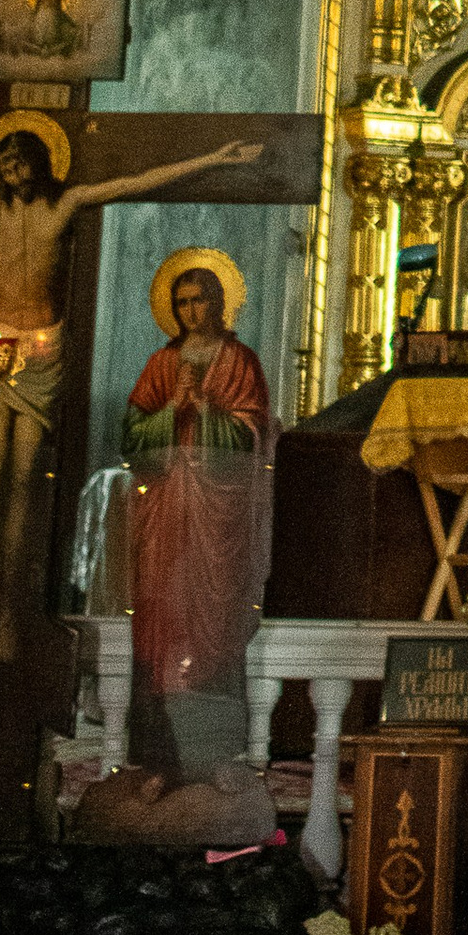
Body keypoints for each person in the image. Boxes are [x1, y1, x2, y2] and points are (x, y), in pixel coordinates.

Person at [0, 115, 264, 664]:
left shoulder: (65, 205)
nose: (12, 172)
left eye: (21, 161)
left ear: (39, 160)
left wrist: (213, 159)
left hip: (41, 349)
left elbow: (137, 181)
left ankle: (9, 606)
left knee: (21, 479)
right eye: (5, 164)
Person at [122, 256, 273, 778]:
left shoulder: (241, 361)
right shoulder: (161, 364)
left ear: (219, 302)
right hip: (164, 509)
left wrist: (204, 411)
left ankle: (214, 754)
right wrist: (170, 412)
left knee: (214, 616)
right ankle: (160, 756)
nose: (190, 311)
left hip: (218, 515)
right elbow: (131, 438)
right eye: (181, 302)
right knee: (163, 614)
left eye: (199, 299)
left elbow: (254, 436)